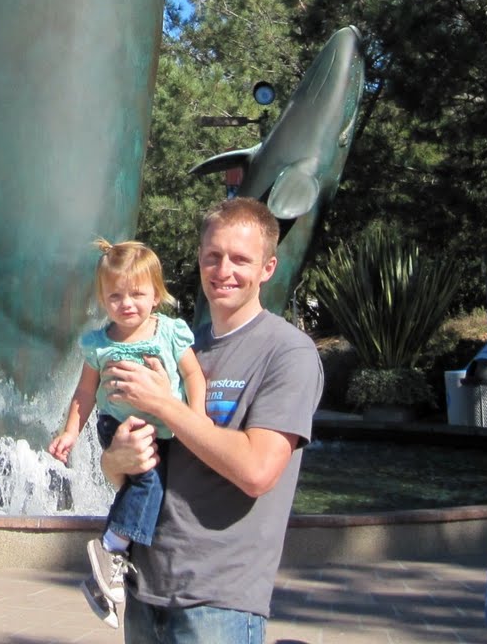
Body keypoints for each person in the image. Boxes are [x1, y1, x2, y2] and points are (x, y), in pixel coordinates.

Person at [100, 197, 324, 643]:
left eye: (241, 259)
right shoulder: (178, 345)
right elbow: (125, 472)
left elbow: (257, 471)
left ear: (268, 268)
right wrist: (115, 459)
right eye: (213, 256)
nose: (224, 270)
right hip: (145, 589)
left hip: (219, 601)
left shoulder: (288, 352)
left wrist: (166, 405)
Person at [47, 240, 206, 627]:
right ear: (103, 299)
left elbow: (193, 375)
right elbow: (85, 392)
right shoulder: (100, 345)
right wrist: (70, 432)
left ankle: (105, 576)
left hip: (165, 426)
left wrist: (198, 417)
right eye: (115, 296)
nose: (127, 303)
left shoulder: (169, 332)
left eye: (137, 294)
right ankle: (111, 548)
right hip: (119, 424)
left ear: (156, 294)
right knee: (147, 482)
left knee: (150, 491)